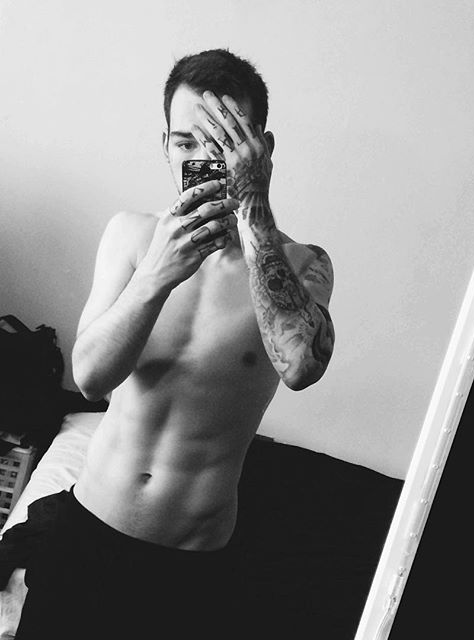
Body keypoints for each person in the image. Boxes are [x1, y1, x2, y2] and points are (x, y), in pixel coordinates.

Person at [15, 48, 335, 639]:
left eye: (226, 144)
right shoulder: (131, 236)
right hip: (88, 530)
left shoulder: (301, 264)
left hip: (191, 561)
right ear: (165, 145)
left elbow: (299, 366)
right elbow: (90, 379)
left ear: (261, 150)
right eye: (187, 143)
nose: (204, 161)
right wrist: (157, 275)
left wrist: (254, 209)